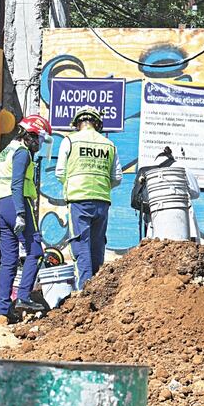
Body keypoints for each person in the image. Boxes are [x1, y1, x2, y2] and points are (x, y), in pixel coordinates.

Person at [55, 106, 122, 289]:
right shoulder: (108, 144)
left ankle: (85, 289)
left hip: (78, 200)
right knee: (98, 244)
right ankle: (98, 286)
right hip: (102, 200)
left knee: (80, 244)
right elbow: (117, 177)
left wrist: (72, 185)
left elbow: (60, 172)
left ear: (78, 123)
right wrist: (102, 186)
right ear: (97, 124)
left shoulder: (70, 141)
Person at [0, 114, 52, 324]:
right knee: (35, 252)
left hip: (1, 204)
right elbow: (17, 183)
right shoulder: (22, 153)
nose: (38, 144)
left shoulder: (5, 151)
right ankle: (24, 297)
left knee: (9, 259)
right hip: (17, 204)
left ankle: (2, 309)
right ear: (29, 136)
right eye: (37, 139)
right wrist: (20, 212)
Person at [145, 147, 200, 242]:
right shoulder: (182, 167)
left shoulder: (148, 171)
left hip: (155, 223)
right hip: (183, 222)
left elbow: (145, 197)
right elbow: (195, 192)